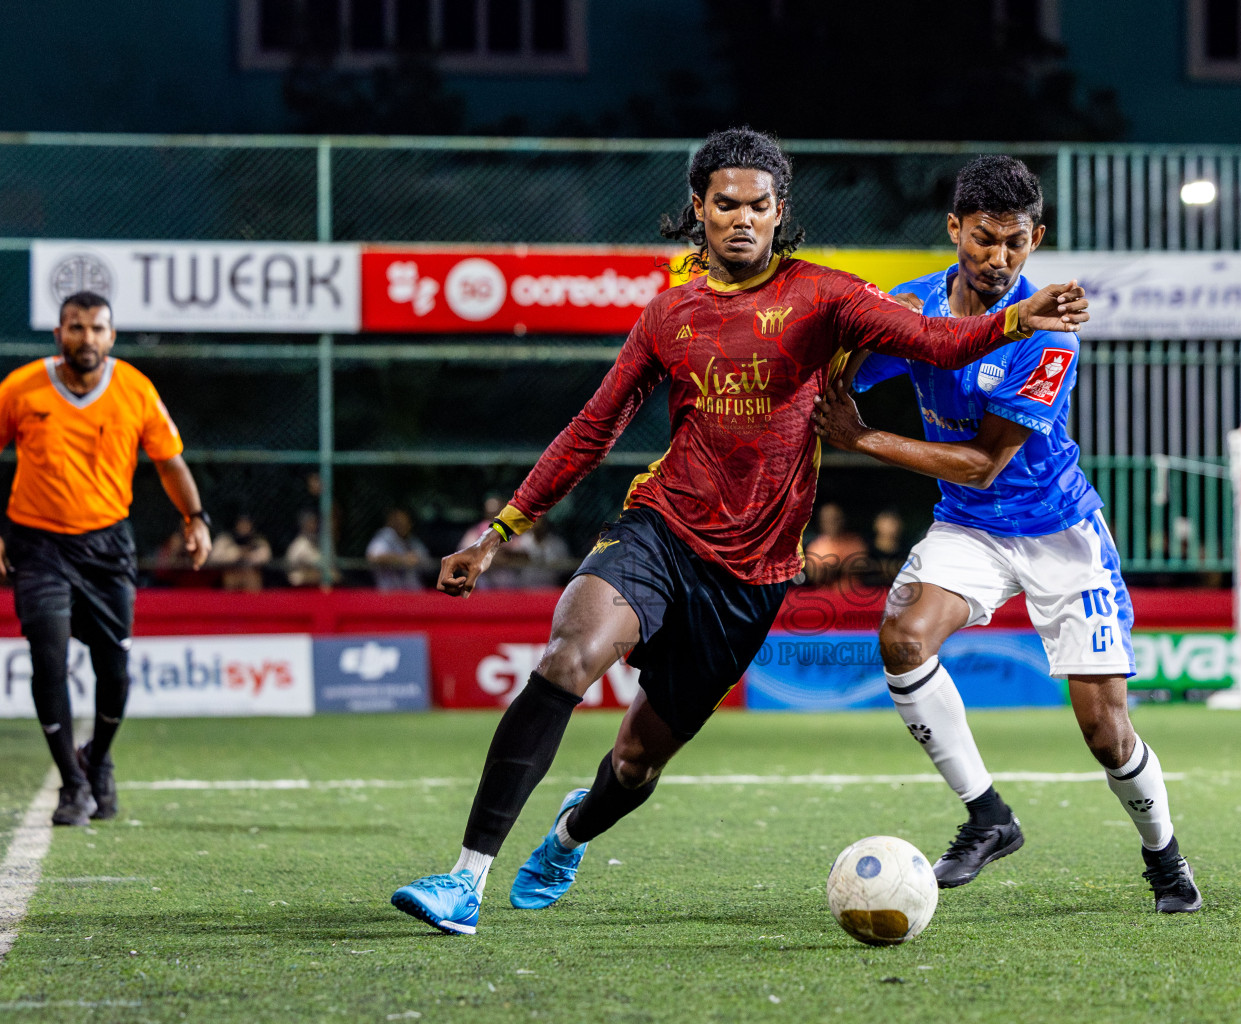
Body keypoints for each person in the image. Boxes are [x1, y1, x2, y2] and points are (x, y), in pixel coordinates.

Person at [389, 127, 1089, 935]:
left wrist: (1018, 317)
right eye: (726, 204)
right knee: (569, 656)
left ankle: (569, 833)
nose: (743, 219)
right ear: (700, 209)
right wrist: (499, 530)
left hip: (750, 578)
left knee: (635, 761)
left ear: (779, 210)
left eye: (759, 205)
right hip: (660, 528)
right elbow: (592, 428)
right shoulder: (669, 314)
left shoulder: (828, 297)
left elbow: (934, 337)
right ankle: (463, 879)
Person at [814, 155, 1200, 913]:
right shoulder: (916, 307)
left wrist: (863, 440)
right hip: (970, 529)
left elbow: (985, 462)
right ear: (954, 229)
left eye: (1015, 243)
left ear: (1036, 238)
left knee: (1106, 733)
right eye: (984, 240)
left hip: (1060, 531)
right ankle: (988, 816)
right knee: (901, 639)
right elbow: (840, 375)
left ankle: (1165, 856)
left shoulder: (1048, 331)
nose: (998, 259)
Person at [0, 291, 212, 826]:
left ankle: (97, 758)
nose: (87, 338)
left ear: (111, 336)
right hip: (38, 543)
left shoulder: (135, 390)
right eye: (76, 327)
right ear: (59, 334)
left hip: (106, 546)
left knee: (114, 670)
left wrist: (195, 519)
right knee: (48, 657)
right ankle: (72, 787)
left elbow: (169, 462)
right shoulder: (19, 388)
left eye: (97, 328)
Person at [802, 502, 867, 585]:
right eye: (827, 519)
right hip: (824, 595)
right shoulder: (815, 547)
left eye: (835, 519)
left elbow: (861, 566)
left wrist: (832, 568)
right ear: (821, 521)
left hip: (853, 594)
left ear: (843, 519)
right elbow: (814, 575)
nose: (831, 523)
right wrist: (842, 567)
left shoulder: (855, 543)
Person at [366, 507, 430, 591]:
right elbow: (373, 557)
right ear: (390, 522)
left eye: (404, 522)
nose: (401, 525)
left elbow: (427, 563)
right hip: (390, 593)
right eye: (397, 522)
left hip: (413, 592)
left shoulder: (413, 541)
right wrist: (403, 560)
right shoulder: (385, 535)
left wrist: (416, 560)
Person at [208, 513, 272, 592]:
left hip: (250, 574)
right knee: (231, 574)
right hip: (230, 575)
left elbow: (265, 558)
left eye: (246, 524)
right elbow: (214, 559)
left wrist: (249, 555)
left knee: (252, 575)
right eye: (241, 524)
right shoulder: (225, 540)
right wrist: (238, 553)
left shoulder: (258, 541)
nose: (244, 527)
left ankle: (253, 602)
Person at [283, 509, 323, 587]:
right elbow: (293, 575)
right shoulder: (299, 544)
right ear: (304, 524)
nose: (314, 525)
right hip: (299, 584)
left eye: (314, 522)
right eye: (310, 522)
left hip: (314, 583)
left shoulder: (316, 542)